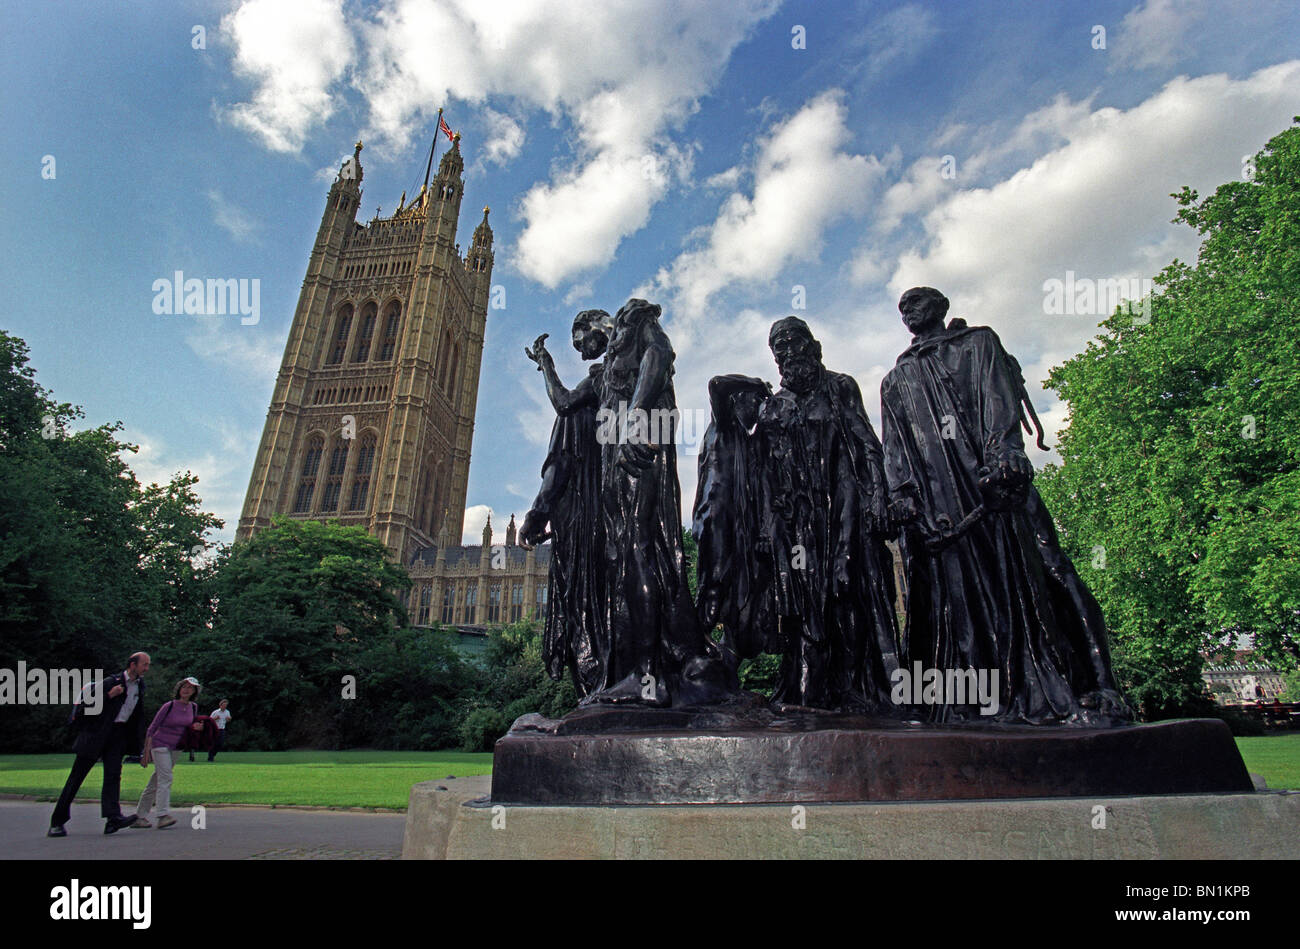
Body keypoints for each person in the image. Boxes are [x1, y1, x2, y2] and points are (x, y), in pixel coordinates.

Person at [880, 286, 1130, 724]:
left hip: (998, 487)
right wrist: (900, 494)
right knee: (955, 601)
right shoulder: (896, 379)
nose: (908, 310)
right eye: (902, 307)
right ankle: (972, 698)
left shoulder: (978, 344)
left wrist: (1002, 454)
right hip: (944, 507)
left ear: (940, 308)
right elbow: (895, 447)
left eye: (917, 302)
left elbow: (998, 402)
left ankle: (1097, 683)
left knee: (1051, 571)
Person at [752, 317, 900, 711]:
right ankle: (810, 691)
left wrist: (877, 497)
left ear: (813, 345)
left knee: (846, 589)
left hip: (842, 508)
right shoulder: (772, 409)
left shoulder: (839, 387)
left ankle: (855, 688)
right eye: (778, 348)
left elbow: (867, 444)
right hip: (796, 523)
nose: (786, 353)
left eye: (793, 343)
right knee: (804, 606)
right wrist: (768, 525)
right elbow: (764, 474)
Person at [520, 310, 613, 698]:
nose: (581, 354)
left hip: (578, 524)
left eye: (581, 344)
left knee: (581, 609)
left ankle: (592, 694)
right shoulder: (609, 409)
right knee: (600, 605)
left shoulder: (574, 417)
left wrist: (534, 518)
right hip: (606, 518)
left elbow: (556, 474)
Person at [48, 651, 151, 837]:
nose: (147, 668)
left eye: (148, 665)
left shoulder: (139, 686)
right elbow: (83, 709)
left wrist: (137, 743)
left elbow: (136, 716)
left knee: (113, 776)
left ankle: (113, 819)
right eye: (144, 664)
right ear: (132, 664)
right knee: (76, 778)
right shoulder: (110, 683)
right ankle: (57, 821)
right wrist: (108, 696)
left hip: (117, 736)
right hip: (96, 735)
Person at [131, 676, 204, 829]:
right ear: (179, 689)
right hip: (160, 745)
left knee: (156, 781)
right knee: (166, 778)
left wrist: (197, 727)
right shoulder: (169, 706)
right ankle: (163, 815)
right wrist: (145, 753)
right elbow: (152, 728)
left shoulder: (193, 707)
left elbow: (190, 727)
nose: (186, 690)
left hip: (176, 747)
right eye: (184, 686)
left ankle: (139, 817)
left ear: (194, 691)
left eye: (190, 688)